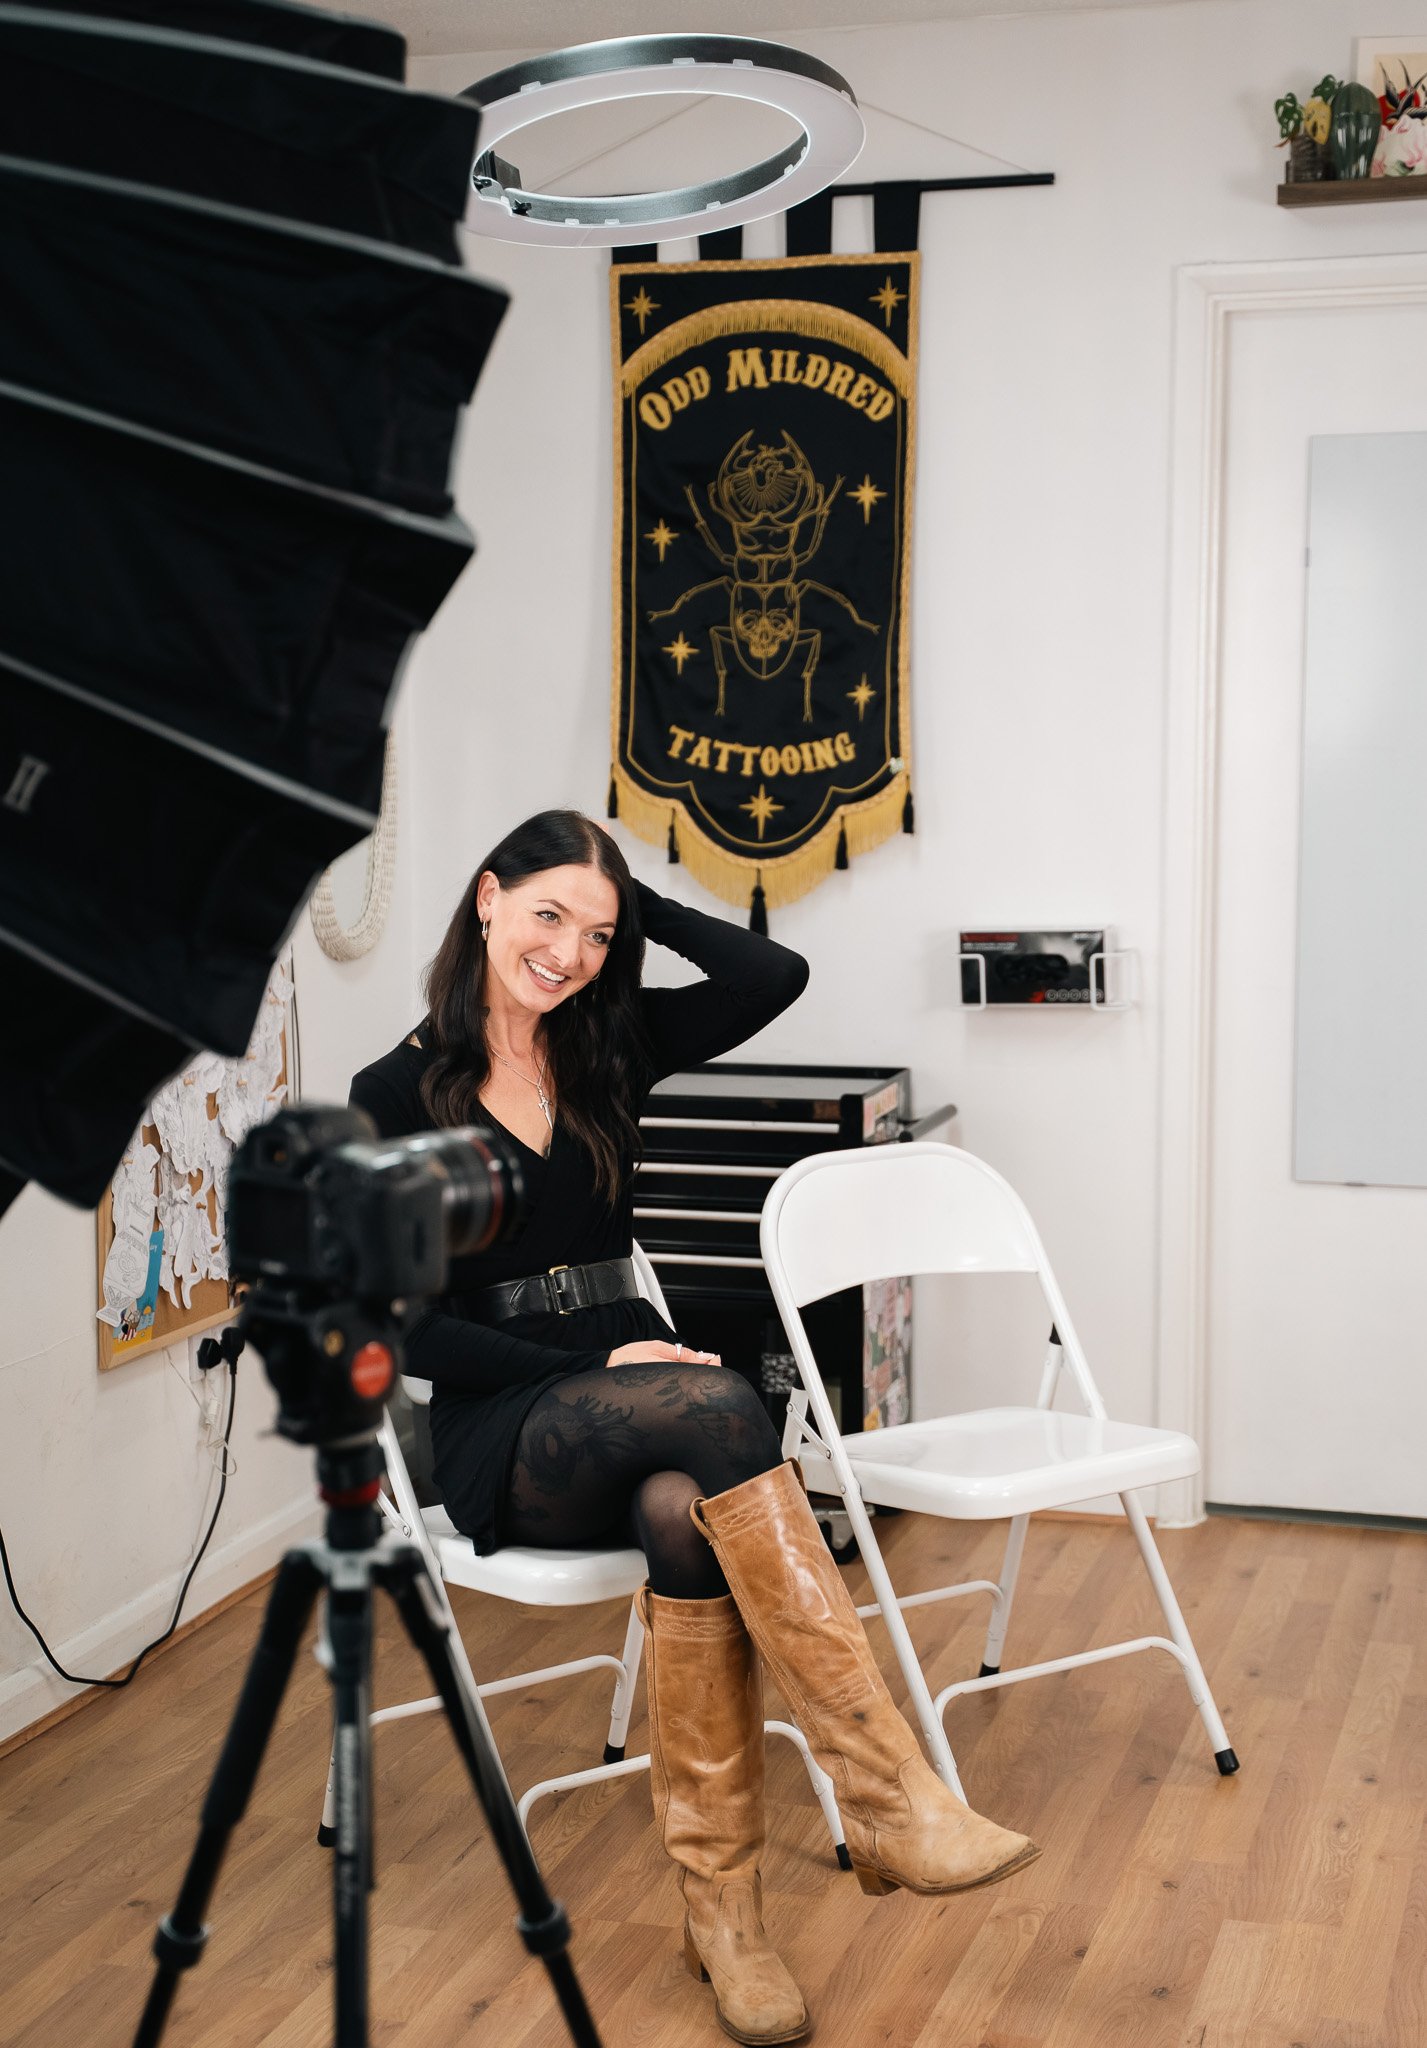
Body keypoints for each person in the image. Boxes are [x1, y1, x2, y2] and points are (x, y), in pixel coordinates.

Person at [350, 809, 1038, 2048]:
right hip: (505, 1413)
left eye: (594, 933)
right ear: (486, 897)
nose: (567, 952)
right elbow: (407, 1329)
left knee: (684, 1510)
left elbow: (774, 972)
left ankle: (726, 1920)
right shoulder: (392, 1091)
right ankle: (886, 1793)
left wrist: (632, 906)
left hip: (634, 1387)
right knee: (721, 1402)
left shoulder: (609, 1043)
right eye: (546, 914)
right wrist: (596, 1357)